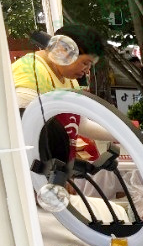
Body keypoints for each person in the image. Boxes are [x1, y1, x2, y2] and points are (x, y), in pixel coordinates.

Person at [12, 24, 112, 159]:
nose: (87, 70)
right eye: (85, 63)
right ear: (63, 51)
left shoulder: (70, 80)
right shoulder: (30, 71)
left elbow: (80, 124)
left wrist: (123, 135)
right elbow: (24, 123)